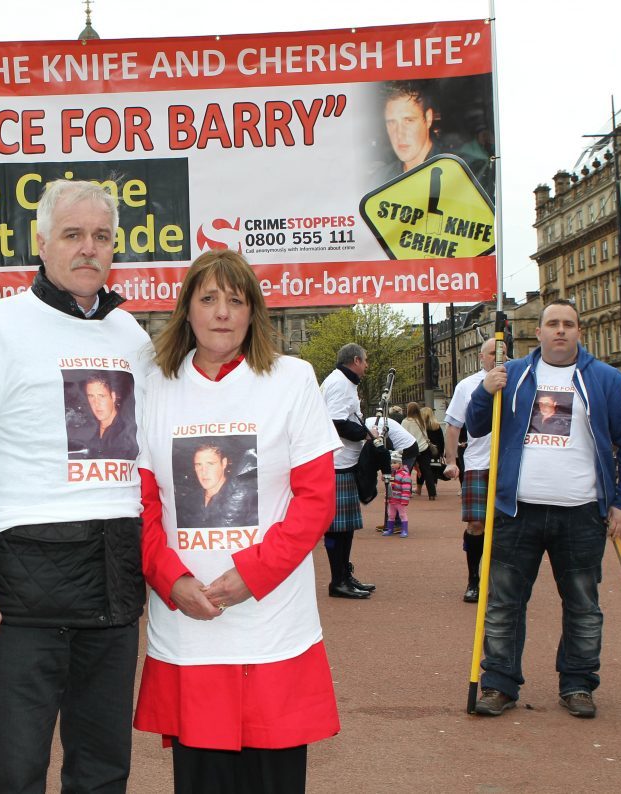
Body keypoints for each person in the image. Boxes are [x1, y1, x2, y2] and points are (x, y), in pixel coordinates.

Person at [0, 179, 151, 793]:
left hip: (112, 584)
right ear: (42, 241)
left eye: (101, 237)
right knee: (16, 771)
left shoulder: (133, 337)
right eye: (73, 235)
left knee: (104, 770)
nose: (88, 249)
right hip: (20, 596)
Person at [134, 249, 341, 794]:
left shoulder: (292, 379)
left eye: (235, 299)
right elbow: (141, 504)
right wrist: (171, 579)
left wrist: (254, 573)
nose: (222, 311)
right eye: (208, 298)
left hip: (271, 624)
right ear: (187, 310)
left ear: (253, 312)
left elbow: (315, 498)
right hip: (188, 624)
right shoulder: (155, 383)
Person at [466, 300, 621, 719]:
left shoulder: (606, 380)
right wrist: (484, 390)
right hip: (517, 510)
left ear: (579, 332)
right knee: (503, 603)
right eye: (553, 324)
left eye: (568, 324)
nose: (560, 331)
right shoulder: (513, 376)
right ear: (540, 332)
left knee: (583, 603)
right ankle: (498, 684)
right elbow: (477, 426)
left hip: (581, 511)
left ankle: (579, 684)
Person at [319, 343, 376, 599]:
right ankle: (337, 580)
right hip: (337, 463)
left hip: (343, 462)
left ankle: (343, 574)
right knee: (337, 528)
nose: (367, 366)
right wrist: (365, 434)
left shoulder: (344, 382)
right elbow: (336, 422)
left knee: (344, 528)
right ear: (355, 360)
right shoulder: (340, 383)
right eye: (365, 361)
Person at [443, 338, 497, 603]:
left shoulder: (517, 380)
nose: (498, 359)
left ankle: (498, 579)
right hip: (477, 462)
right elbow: (453, 426)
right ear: (481, 357)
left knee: (505, 526)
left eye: (503, 354)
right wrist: (451, 461)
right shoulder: (467, 386)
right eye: (492, 354)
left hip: (506, 464)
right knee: (476, 524)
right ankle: (474, 579)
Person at [177, 440, 257, 529]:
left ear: (224, 463)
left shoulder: (246, 498)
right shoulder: (188, 501)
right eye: (198, 465)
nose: (204, 471)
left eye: (210, 464)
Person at [373, 82, 437, 183]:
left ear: (428, 118)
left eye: (409, 121)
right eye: (392, 122)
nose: (399, 134)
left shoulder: (460, 172)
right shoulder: (379, 181)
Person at [81, 373, 139, 460]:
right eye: (91, 396)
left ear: (113, 396)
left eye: (101, 396)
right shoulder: (89, 433)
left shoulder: (127, 432)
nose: (96, 403)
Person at [401, 401, 437, 500]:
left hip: (411, 448)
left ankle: (407, 492)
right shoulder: (421, 421)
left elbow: (403, 435)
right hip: (424, 447)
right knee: (427, 471)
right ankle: (432, 493)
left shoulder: (405, 421)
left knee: (407, 471)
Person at [381, 451, 413, 538]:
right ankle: (390, 529)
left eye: (394, 463)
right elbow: (388, 486)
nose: (392, 465)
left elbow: (406, 489)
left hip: (399, 499)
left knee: (402, 515)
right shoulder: (391, 473)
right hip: (392, 499)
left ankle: (404, 530)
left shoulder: (404, 475)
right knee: (391, 515)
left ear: (400, 463)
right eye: (391, 463)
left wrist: (405, 499)